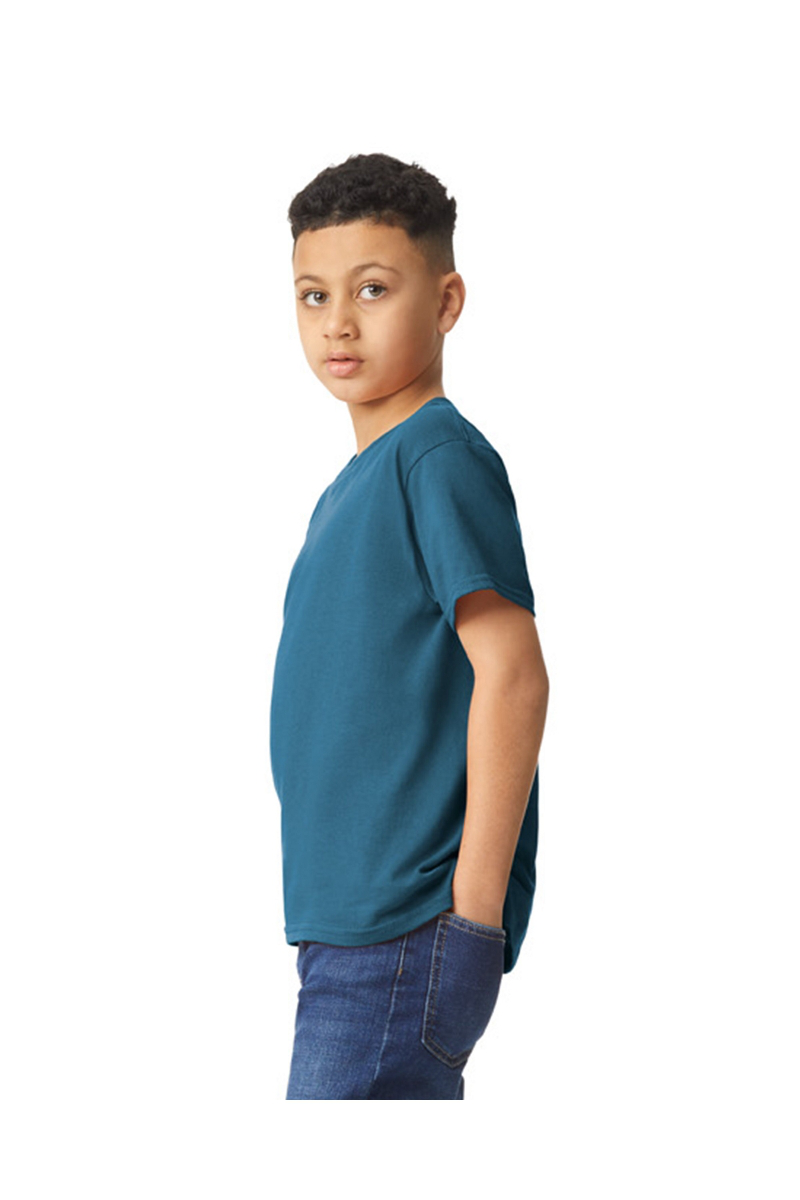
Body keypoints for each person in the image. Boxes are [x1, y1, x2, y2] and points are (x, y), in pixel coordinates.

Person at [270, 153, 549, 1099]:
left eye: (373, 289)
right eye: (313, 295)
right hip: (347, 930)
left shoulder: (436, 458)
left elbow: (514, 675)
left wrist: (472, 916)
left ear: (447, 300)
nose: (338, 323)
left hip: (404, 931)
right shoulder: (353, 487)